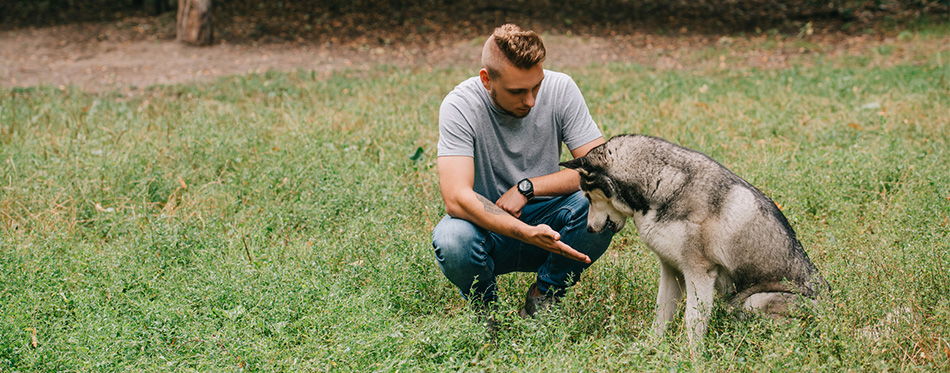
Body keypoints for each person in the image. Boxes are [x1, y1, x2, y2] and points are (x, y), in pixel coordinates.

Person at [432, 24, 614, 323]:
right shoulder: (460, 105)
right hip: (487, 228)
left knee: (602, 202)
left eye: (536, 86)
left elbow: (599, 170)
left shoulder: (561, 88)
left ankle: (543, 298)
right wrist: (525, 232)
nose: (530, 100)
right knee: (452, 238)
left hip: (551, 222)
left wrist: (527, 188)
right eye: (517, 91)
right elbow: (456, 198)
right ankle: (486, 312)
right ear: (486, 79)